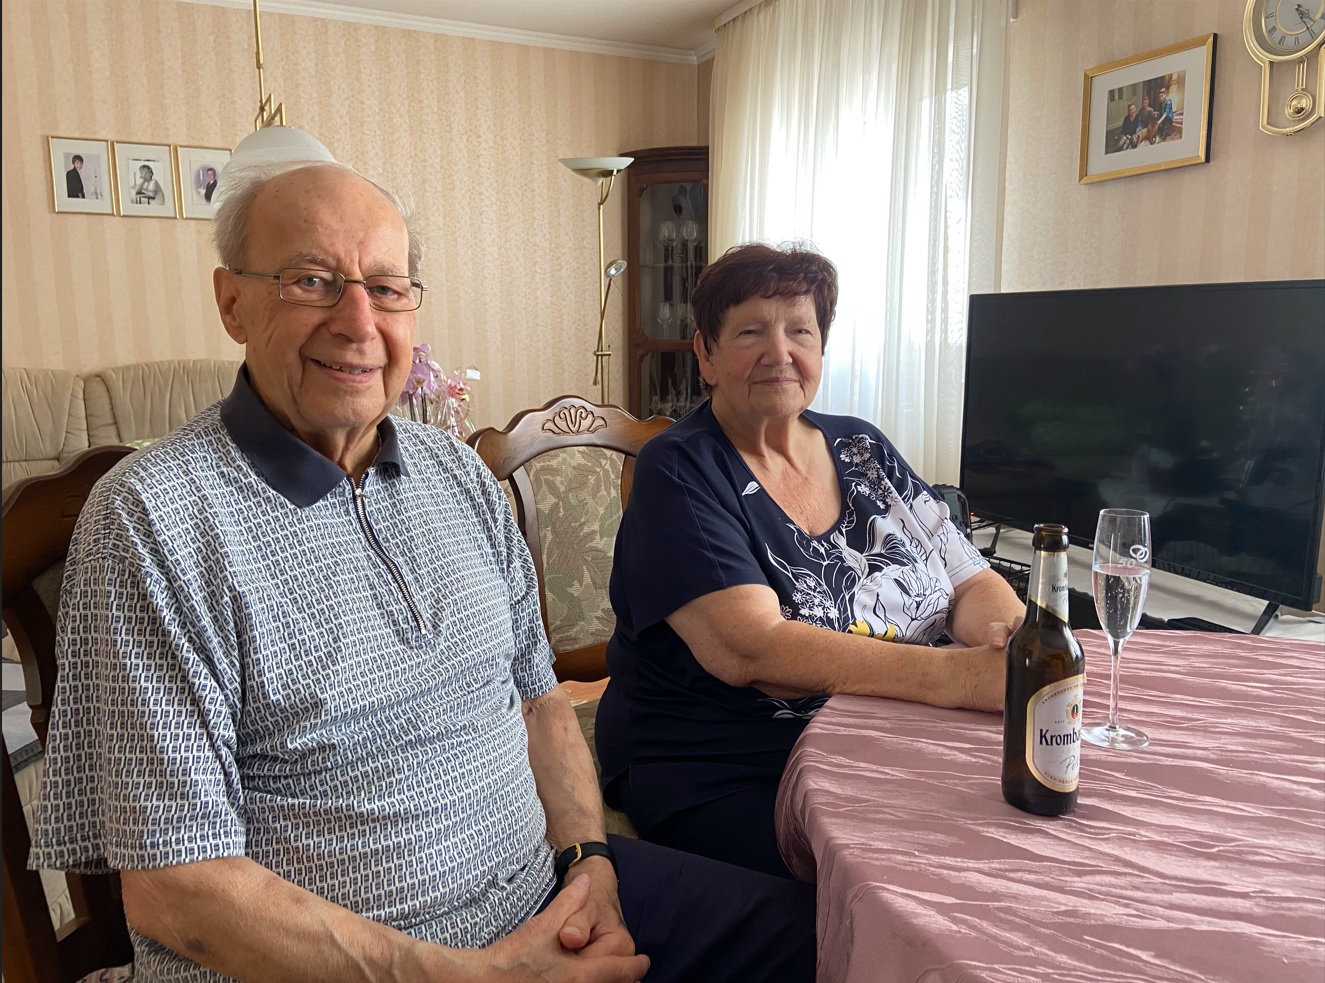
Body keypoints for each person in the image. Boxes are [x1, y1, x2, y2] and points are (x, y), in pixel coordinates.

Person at [29, 161, 816, 983]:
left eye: (386, 287)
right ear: (233, 303)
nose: (357, 322)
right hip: (337, 967)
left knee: (840, 938)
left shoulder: (459, 474)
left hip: (545, 898)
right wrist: (477, 977)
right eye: (311, 281)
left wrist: (591, 870)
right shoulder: (153, 517)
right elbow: (175, 889)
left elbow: (541, 702)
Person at [595, 242, 1026, 878]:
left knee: (1024, 825)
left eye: (800, 330)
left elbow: (970, 578)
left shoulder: (861, 446)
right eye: (750, 332)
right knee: (919, 871)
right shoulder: (681, 470)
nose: (779, 353)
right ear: (706, 355)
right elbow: (752, 650)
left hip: (883, 736)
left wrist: (1006, 644)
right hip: (727, 762)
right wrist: (960, 680)